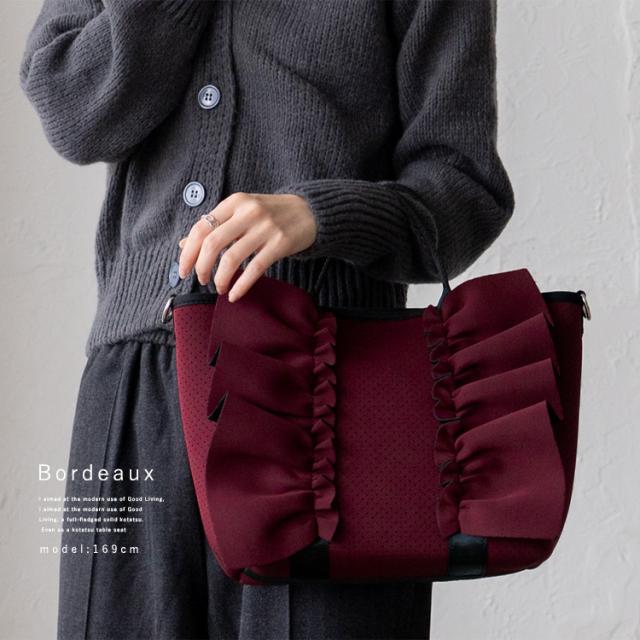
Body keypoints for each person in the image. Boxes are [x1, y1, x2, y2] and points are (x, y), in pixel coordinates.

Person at [19, 0, 515, 638]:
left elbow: (466, 188)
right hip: (133, 392)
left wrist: (320, 215)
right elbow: (71, 112)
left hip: (331, 394)